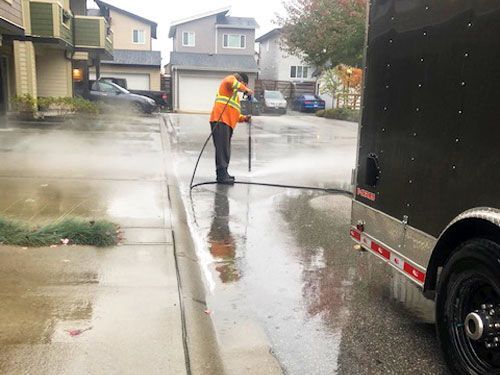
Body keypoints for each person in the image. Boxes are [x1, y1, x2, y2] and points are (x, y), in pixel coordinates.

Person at [209, 72, 253, 183]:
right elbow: (231, 82)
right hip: (220, 120)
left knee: (225, 150)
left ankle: (224, 173)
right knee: (222, 149)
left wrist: (244, 118)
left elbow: (235, 114)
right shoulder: (230, 80)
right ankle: (222, 176)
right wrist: (246, 90)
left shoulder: (233, 96)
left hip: (226, 123)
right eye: (245, 85)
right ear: (241, 81)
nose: (244, 88)